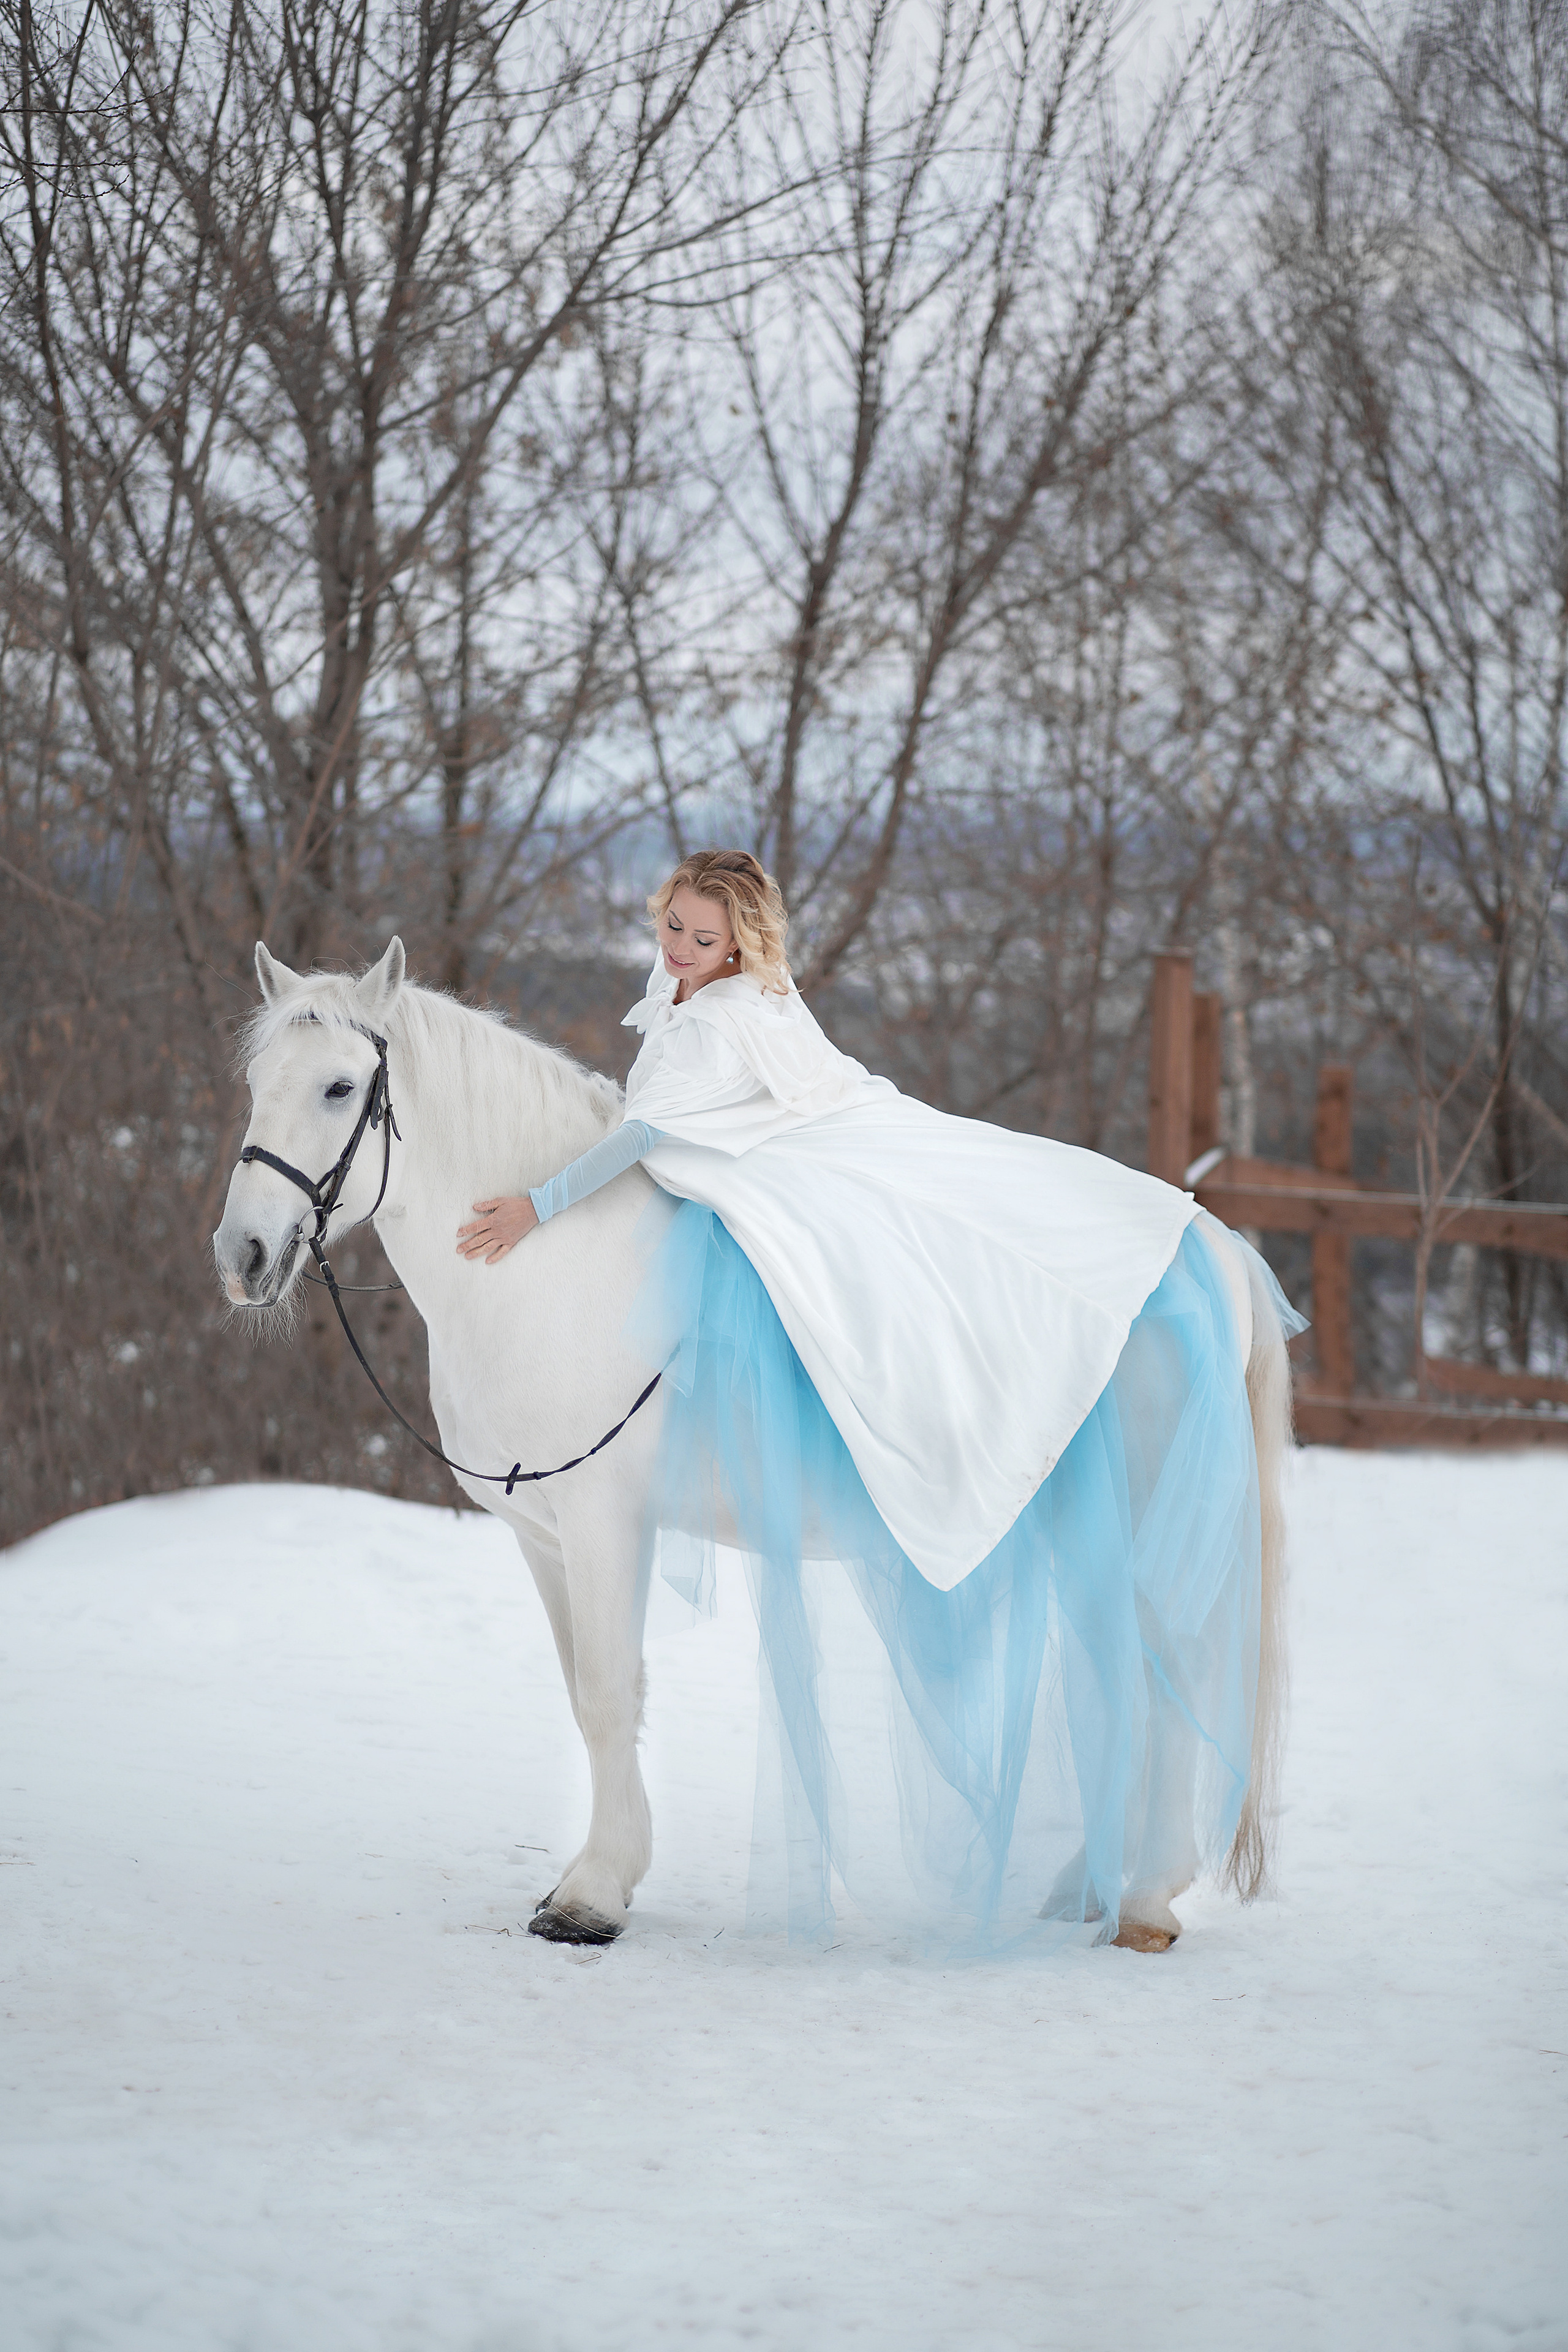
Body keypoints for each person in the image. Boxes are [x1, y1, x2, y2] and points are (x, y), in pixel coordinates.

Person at [456, 848, 1300, 1945]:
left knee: (862, 1263)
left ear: (743, 948)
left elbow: (645, 1135)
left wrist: (536, 1204)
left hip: (782, 1148)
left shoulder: (725, 1019)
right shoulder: (698, 997)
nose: (679, 951)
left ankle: (1152, 1852)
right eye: (672, 926)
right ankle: (1137, 1848)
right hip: (770, 1142)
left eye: (703, 940)